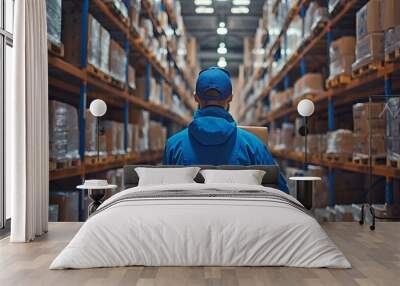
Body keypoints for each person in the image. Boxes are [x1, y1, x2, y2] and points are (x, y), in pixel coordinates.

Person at [163, 67, 288, 193]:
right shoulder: (253, 146)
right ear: (231, 98)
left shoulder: (173, 146)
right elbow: (281, 192)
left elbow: (163, 194)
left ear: (196, 97)